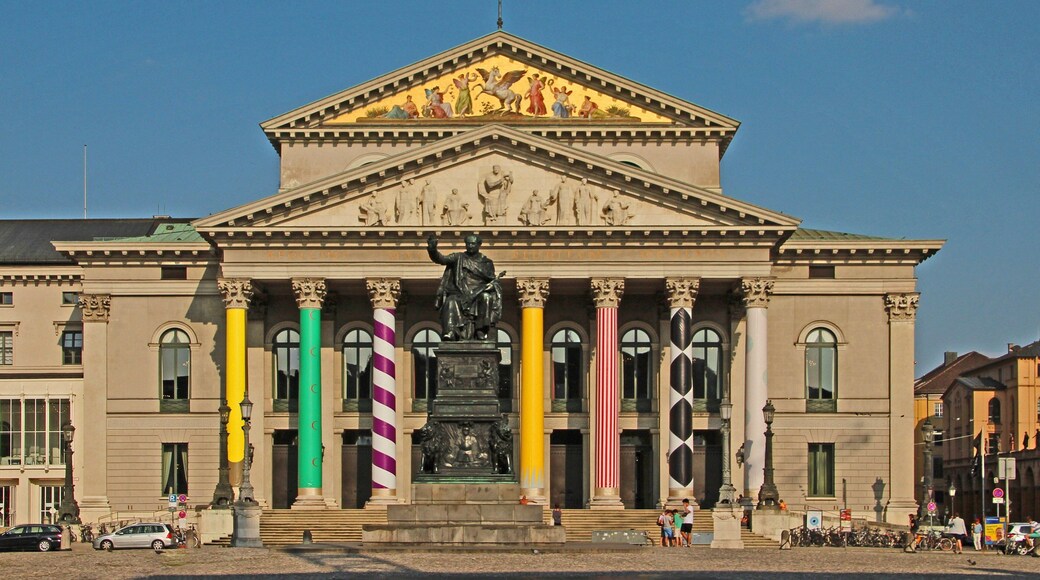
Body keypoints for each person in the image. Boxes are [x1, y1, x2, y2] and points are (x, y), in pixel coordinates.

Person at [426, 234, 503, 341]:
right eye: (468, 244)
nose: (470, 246)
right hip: (460, 292)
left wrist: (492, 286)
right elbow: (441, 259)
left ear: (479, 245)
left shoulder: (487, 263)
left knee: (486, 297)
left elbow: (493, 281)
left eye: (473, 244)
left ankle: (481, 329)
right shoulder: (458, 257)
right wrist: (432, 249)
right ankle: (451, 331)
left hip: (479, 294)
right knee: (450, 301)